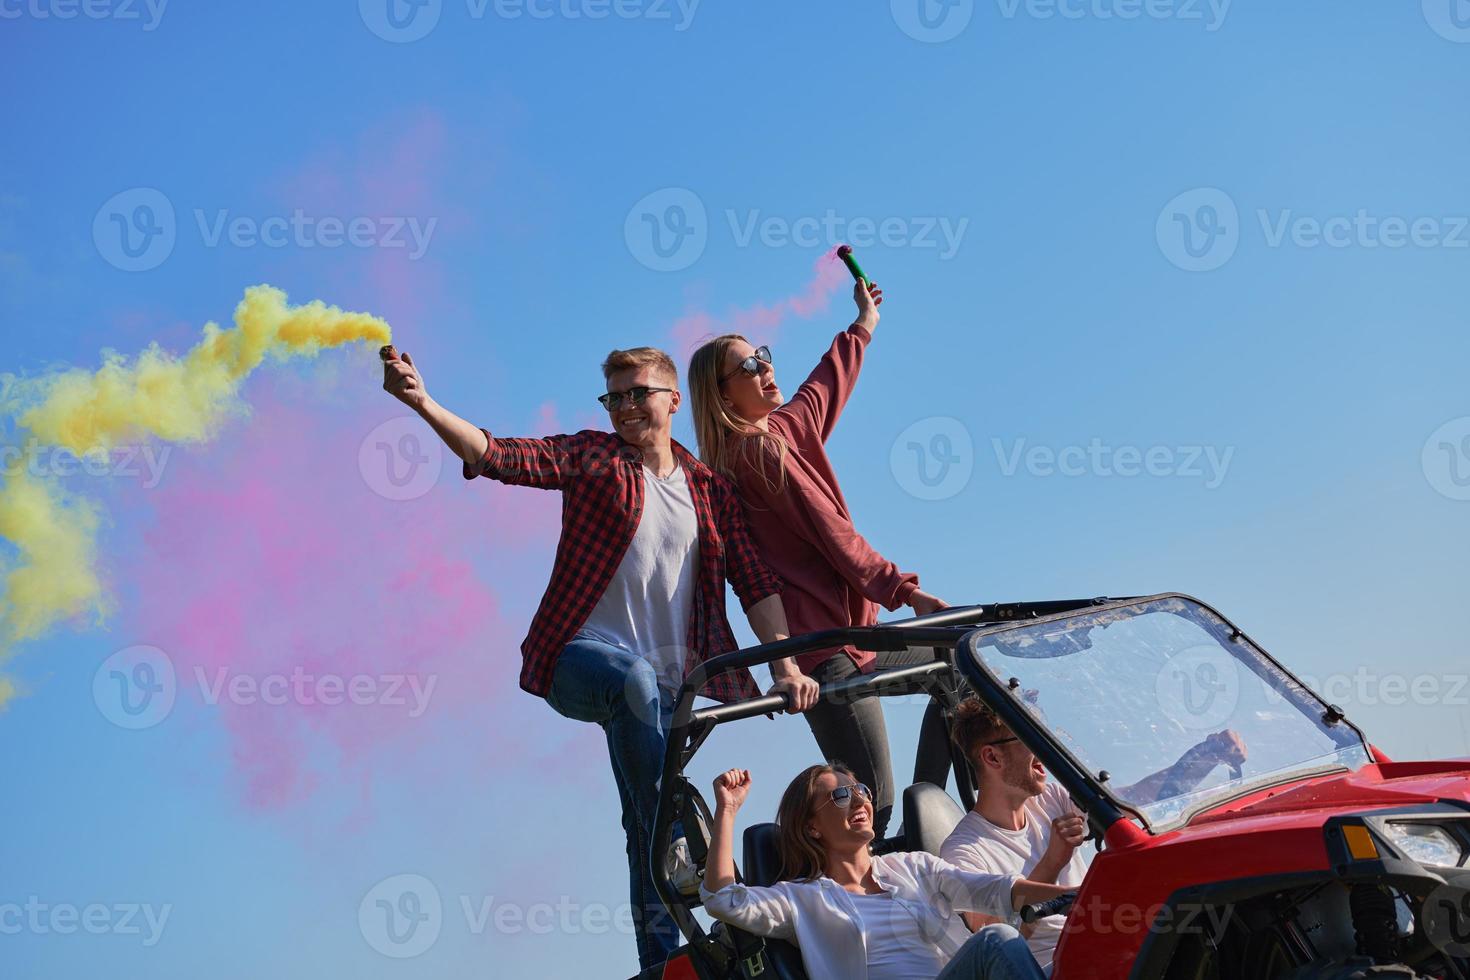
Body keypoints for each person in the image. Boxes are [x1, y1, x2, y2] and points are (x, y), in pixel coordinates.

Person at [381, 343, 819, 971]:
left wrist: (785, 667)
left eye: (638, 392)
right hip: (579, 658)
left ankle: (663, 964)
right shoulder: (595, 457)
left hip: (672, 689)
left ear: (672, 399)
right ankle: (674, 846)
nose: (625, 406)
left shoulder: (709, 490)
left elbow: (754, 581)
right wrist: (423, 402)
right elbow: (502, 456)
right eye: (614, 396)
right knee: (646, 749)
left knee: (641, 817)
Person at [687, 279, 950, 838]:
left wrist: (864, 323)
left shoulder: (784, 428)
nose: (764, 368)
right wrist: (906, 592)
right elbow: (836, 536)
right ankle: (906, 853)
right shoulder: (756, 454)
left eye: (764, 356)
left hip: (860, 643)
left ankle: (931, 818)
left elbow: (826, 383)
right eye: (748, 367)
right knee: (866, 813)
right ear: (723, 395)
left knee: (962, 669)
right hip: (828, 653)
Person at [941, 698, 1247, 971]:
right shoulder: (963, 852)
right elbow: (996, 942)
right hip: (1051, 968)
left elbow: (1134, 801)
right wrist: (1053, 862)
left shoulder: (1051, 799)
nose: (1045, 746)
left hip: (1105, 950)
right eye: (1029, 737)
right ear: (993, 758)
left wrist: (1205, 756)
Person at [701, 764, 1069, 980]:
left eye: (860, 790)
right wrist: (728, 811)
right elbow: (723, 899)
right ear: (813, 826)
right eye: (841, 796)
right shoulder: (802, 898)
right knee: (997, 941)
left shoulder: (913, 867)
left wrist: (1085, 893)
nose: (860, 799)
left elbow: (998, 892)